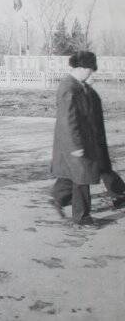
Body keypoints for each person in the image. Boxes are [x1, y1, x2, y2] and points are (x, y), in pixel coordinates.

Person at [50, 51, 125, 225]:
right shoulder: (68, 87)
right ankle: (81, 217)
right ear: (82, 68)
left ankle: (62, 201)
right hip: (75, 143)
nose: (92, 73)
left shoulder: (78, 85)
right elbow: (68, 120)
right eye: (90, 69)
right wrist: (75, 145)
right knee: (81, 178)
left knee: (79, 177)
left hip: (85, 141)